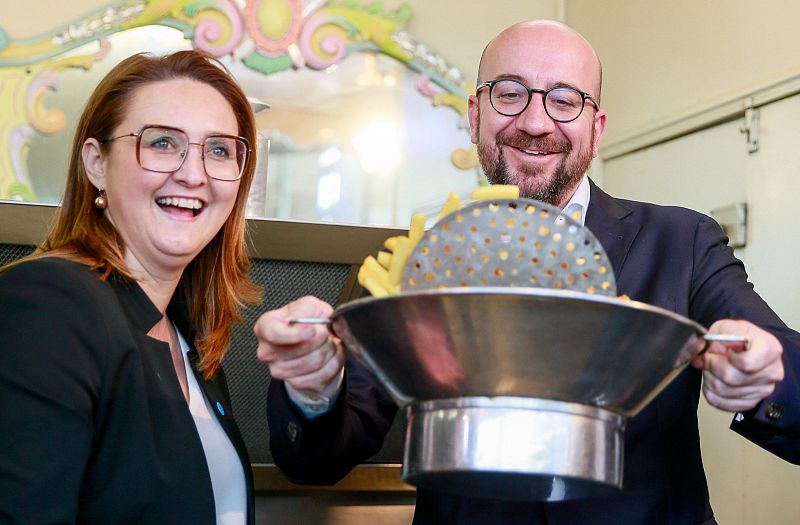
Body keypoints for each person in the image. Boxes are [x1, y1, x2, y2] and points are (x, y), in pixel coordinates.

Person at [256, 20, 800, 525]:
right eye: (510, 94)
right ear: (474, 116)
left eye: (565, 99)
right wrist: (314, 389)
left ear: (597, 126)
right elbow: (317, 459)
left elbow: (784, 371)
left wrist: (764, 371)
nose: (536, 122)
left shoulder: (681, 243)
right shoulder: (423, 257)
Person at [0, 50, 261, 524]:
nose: (194, 173)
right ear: (96, 162)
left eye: (219, 150)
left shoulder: (185, 335)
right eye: (163, 143)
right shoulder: (46, 301)